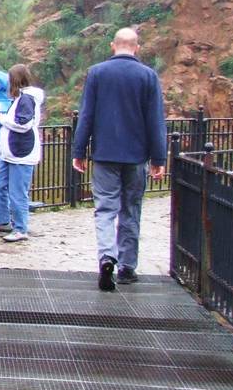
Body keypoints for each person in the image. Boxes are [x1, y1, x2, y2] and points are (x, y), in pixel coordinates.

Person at [71, 27, 167, 291]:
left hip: (104, 155)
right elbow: (155, 121)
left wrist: (79, 151)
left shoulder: (97, 73)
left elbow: (86, 115)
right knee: (130, 210)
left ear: (113, 46)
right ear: (136, 47)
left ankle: (106, 257)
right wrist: (159, 157)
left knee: (105, 209)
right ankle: (126, 267)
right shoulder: (148, 76)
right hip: (136, 157)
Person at [0, 64, 45, 242]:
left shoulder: (27, 99)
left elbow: (23, 124)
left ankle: (21, 229)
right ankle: (3, 222)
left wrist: (3, 119)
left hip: (21, 154)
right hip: (9, 154)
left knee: (17, 193)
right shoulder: (20, 98)